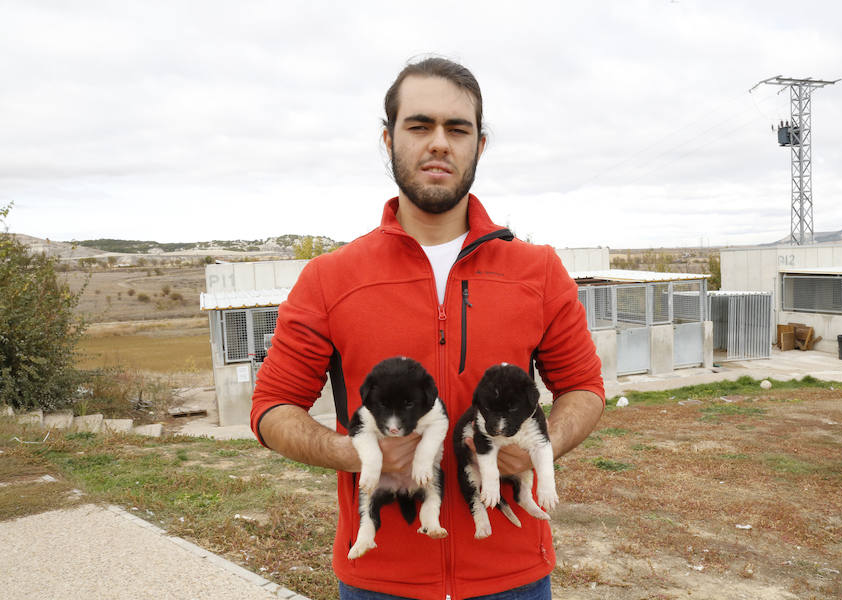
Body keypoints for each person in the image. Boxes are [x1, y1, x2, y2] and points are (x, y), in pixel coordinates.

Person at [251, 57, 605, 600]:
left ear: (479, 145)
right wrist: (356, 452)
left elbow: (584, 387)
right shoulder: (329, 278)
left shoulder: (538, 271)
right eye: (419, 126)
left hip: (512, 579)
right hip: (380, 582)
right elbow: (272, 407)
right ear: (388, 139)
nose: (439, 143)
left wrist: (540, 445)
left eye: (457, 129)